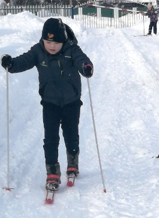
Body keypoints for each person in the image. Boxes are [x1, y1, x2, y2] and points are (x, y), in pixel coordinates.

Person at [1, 18, 93, 191]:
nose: (52, 46)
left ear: (63, 41)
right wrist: (11, 64)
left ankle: (72, 161)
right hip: (49, 103)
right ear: (43, 39)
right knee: (50, 138)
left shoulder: (71, 49)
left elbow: (82, 59)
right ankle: (52, 170)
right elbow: (24, 60)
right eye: (48, 41)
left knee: (70, 134)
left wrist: (86, 67)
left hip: (71, 102)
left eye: (56, 42)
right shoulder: (38, 51)